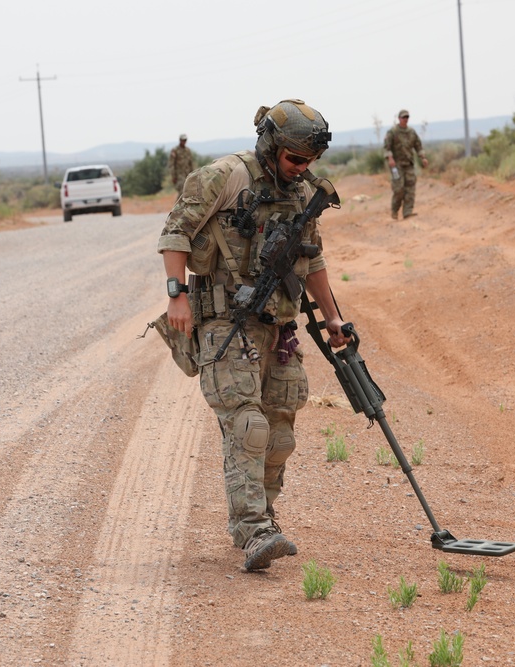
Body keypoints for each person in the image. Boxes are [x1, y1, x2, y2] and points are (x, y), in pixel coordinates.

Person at [157, 99, 348, 571]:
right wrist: (176, 295)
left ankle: (263, 514)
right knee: (248, 426)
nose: (302, 169)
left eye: (309, 162)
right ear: (270, 145)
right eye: (294, 159)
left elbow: (314, 259)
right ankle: (253, 529)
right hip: (227, 322)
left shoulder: (303, 192)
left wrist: (332, 317)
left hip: (279, 325)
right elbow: (175, 233)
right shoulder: (224, 177)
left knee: (280, 431)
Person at [383, 109, 429, 220]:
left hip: (409, 164)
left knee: (410, 189)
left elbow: (418, 146)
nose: (405, 119)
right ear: (399, 118)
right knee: (399, 189)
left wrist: (423, 157)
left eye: (407, 117)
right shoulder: (392, 132)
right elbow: (387, 147)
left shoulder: (412, 132)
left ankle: (407, 212)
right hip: (396, 165)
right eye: (403, 117)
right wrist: (390, 158)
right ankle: (394, 210)